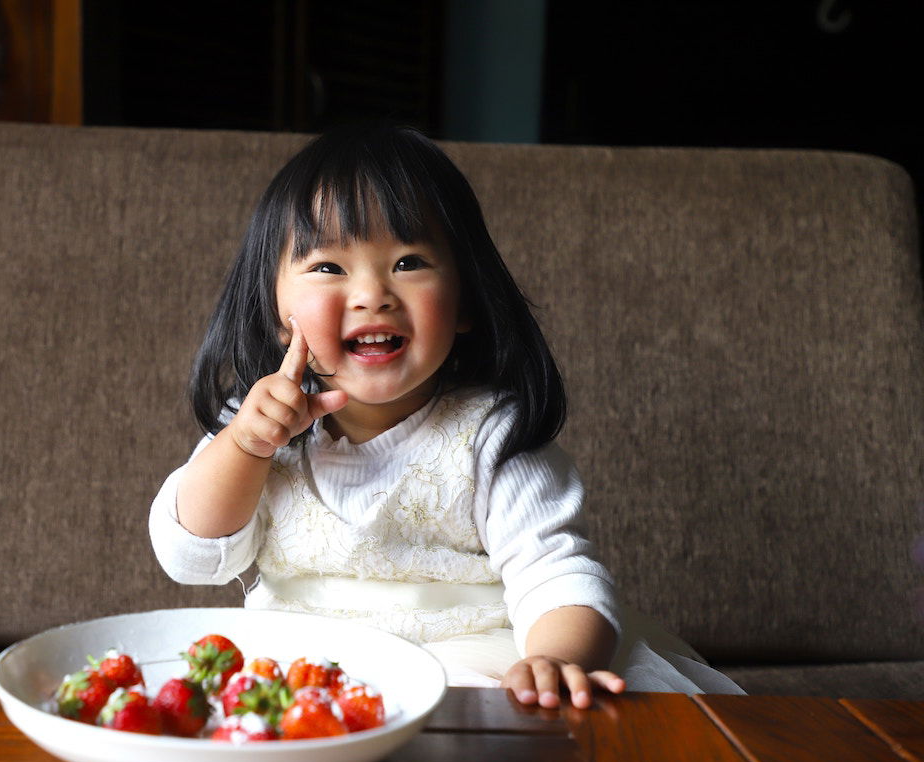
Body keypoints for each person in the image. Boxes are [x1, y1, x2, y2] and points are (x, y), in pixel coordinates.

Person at [149, 123, 743, 707]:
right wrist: (245, 447)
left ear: (464, 303)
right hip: (305, 679)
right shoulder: (254, 427)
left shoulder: (490, 434)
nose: (372, 294)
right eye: (330, 268)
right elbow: (190, 557)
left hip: (467, 668)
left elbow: (557, 574)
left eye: (408, 262)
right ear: (277, 311)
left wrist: (556, 660)